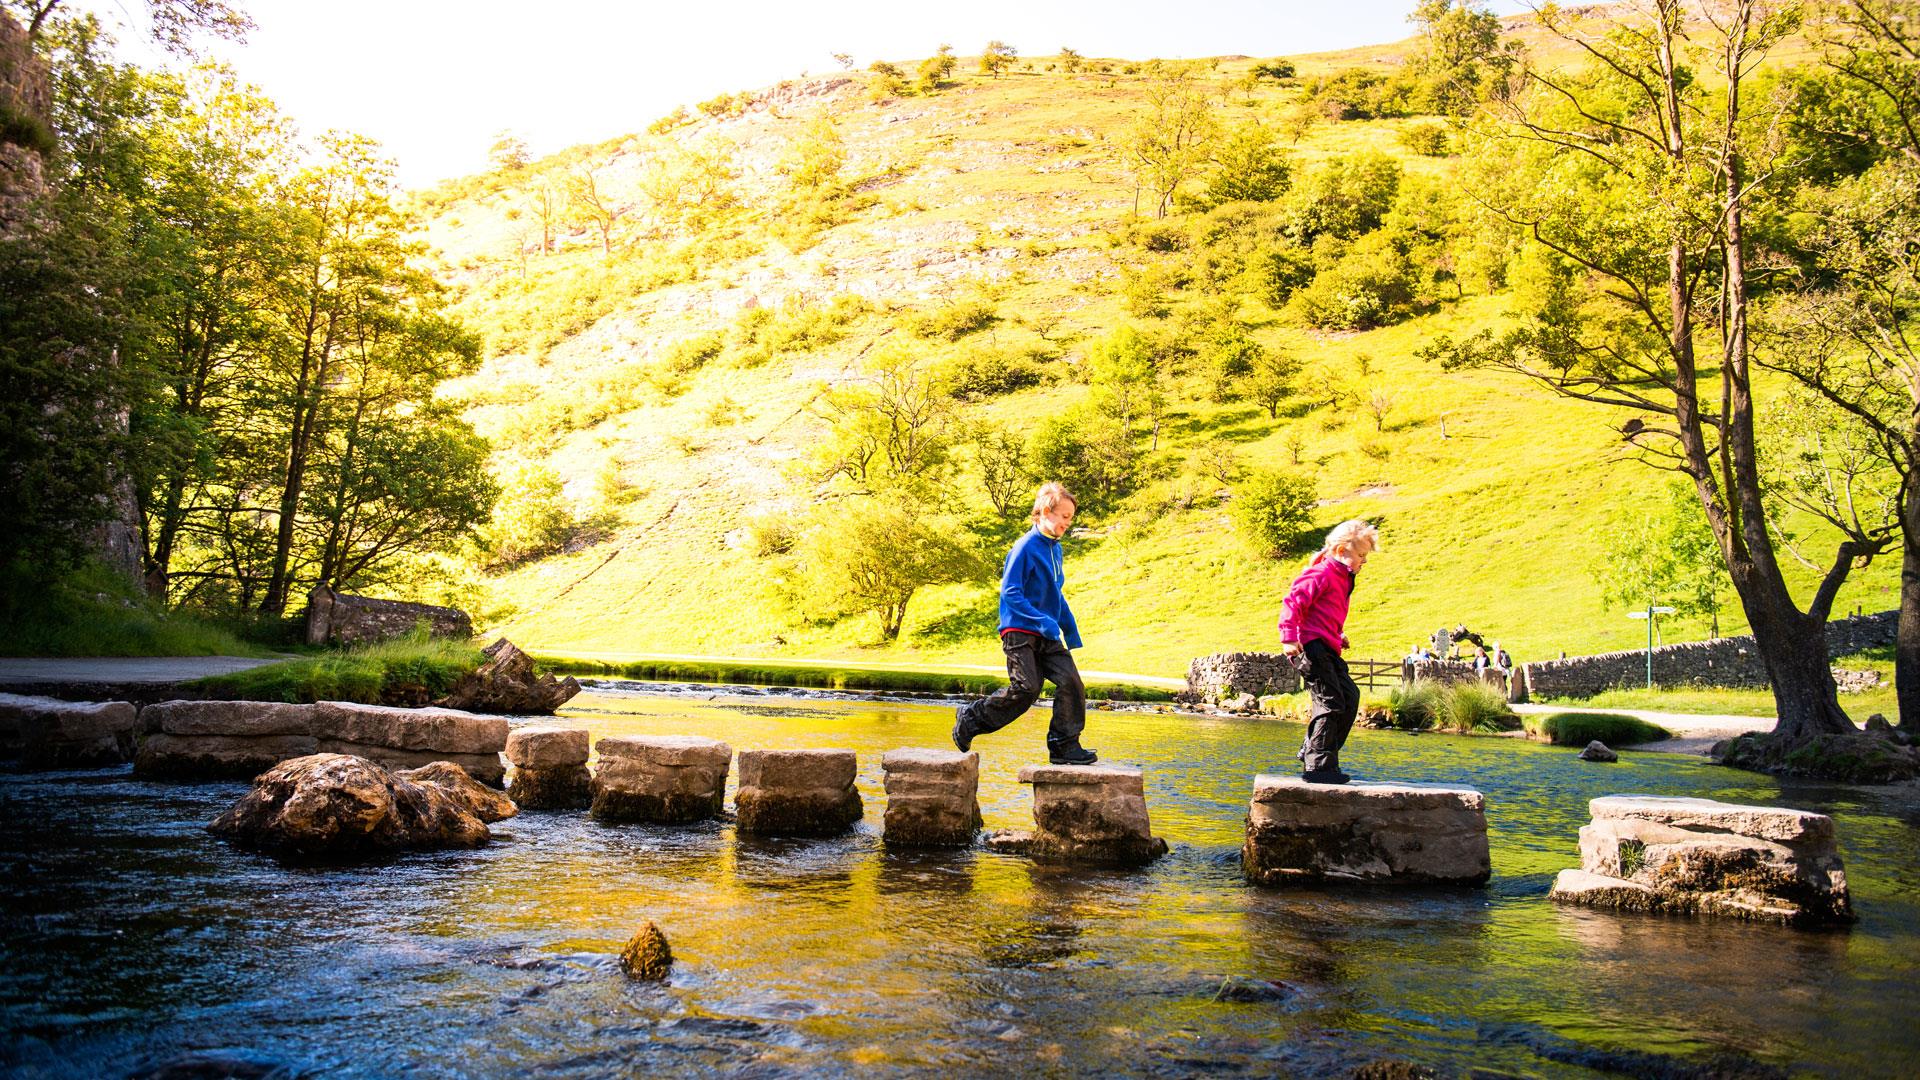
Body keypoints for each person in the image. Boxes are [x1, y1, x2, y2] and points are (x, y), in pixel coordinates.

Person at [953, 481, 1097, 765]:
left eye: (1071, 518)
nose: (1068, 523)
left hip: (1047, 635)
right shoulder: (1024, 547)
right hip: (1019, 632)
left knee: (1072, 683)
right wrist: (1041, 620)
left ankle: (1064, 746)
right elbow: (1010, 593)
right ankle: (971, 717)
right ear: (1045, 511)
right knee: (1026, 689)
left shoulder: (1056, 550)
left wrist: (1070, 628)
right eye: (1065, 516)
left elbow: (1055, 594)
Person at [1278, 519, 1380, 785]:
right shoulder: (1322, 573)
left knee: (1349, 696)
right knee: (1330, 701)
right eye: (1360, 555)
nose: (1363, 561)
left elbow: (1322, 613)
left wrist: (1338, 635)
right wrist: (1288, 638)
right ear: (1340, 551)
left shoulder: (1342, 577)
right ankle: (1319, 767)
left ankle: (1314, 748)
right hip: (1309, 646)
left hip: (1326, 645)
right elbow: (1293, 602)